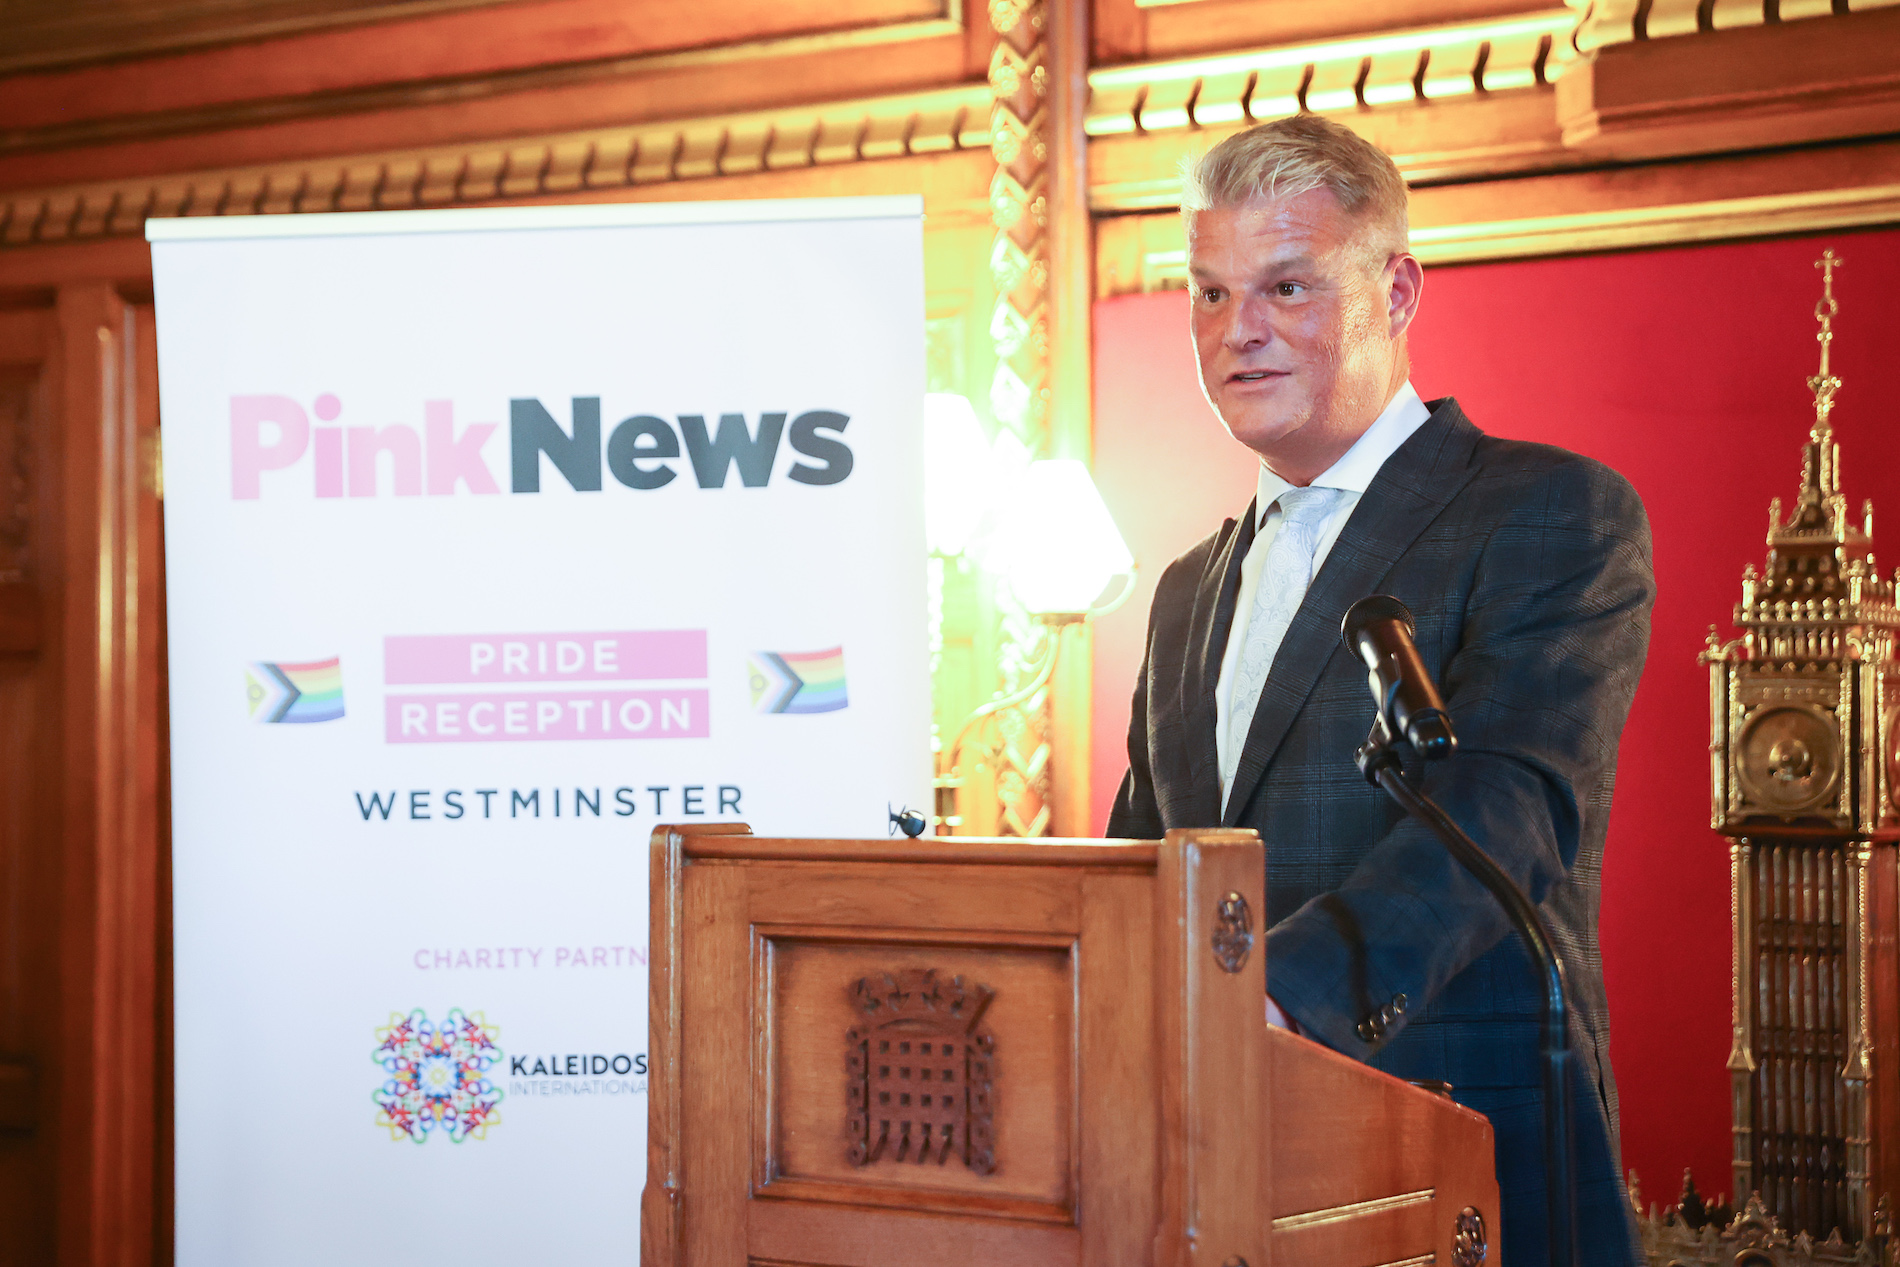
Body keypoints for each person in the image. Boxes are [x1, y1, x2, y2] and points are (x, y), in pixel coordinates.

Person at [1104, 113, 1654, 1266]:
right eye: (1207, 293)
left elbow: (1508, 806)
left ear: (1395, 291)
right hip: (1212, 1168)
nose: (1235, 332)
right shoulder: (1183, 589)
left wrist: (1270, 996)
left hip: (1457, 1147)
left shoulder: (1547, 513)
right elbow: (1143, 865)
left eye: (1286, 287)